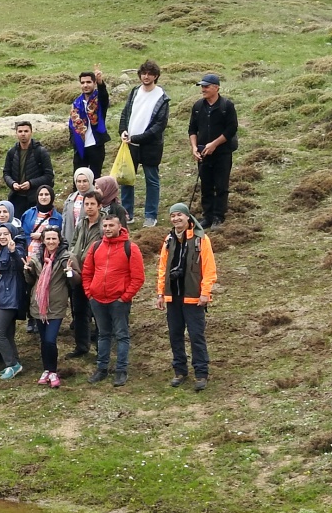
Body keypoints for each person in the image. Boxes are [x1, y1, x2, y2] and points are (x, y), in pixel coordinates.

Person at [156, 203, 217, 391]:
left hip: (194, 298)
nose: (176, 219)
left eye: (179, 215)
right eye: (173, 216)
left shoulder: (201, 239)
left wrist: (205, 293)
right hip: (173, 297)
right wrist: (160, 293)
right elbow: (162, 268)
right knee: (175, 335)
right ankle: (180, 371)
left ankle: (201, 373)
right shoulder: (168, 240)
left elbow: (209, 269)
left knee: (196, 336)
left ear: (188, 217)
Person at [82, 212, 145, 386]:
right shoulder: (95, 247)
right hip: (98, 300)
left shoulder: (131, 248)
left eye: (111, 225)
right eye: (105, 226)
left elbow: (138, 278)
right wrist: (90, 293)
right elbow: (87, 272)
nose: (107, 229)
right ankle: (101, 368)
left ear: (119, 227)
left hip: (119, 301)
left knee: (122, 335)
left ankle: (121, 370)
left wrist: (125, 297)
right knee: (103, 335)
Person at [119, 59, 170, 227]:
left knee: (152, 180)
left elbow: (159, 126)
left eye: (150, 74)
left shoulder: (162, 97)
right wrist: (123, 131)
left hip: (150, 146)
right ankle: (127, 213)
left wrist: (137, 138)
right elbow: (126, 113)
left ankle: (150, 215)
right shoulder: (134, 91)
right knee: (126, 179)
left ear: (156, 76)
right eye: (143, 73)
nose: (146, 77)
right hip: (130, 144)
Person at [189, 73, 239, 228]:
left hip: (222, 154)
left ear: (216, 88)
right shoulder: (198, 106)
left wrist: (214, 144)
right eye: (202, 87)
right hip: (203, 154)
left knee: (221, 185)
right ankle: (208, 216)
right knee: (206, 186)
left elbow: (231, 129)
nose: (203, 89)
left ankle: (219, 216)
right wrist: (194, 148)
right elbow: (192, 129)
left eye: (206, 86)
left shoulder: (227, 106)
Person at [24, 225, 69, 389]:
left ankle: (53, 371)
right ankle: (47, 370)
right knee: (44, 341)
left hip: (56, 306)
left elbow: (74, 281)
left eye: (53, 238)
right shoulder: (36, 258)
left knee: (50, 340)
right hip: (38, 306)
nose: (50, 241)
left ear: (59, 240)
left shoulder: (66, 257)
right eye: (47, 238)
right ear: (43, 240)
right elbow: (30, 281)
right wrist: (27, 271)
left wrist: (70, 272)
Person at [66, 189, 105, 358]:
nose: (88, 207)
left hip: (97, 273)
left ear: (99, 205)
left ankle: (101, 349)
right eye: (86, 204)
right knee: (79, 311)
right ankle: (81, 346)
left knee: (98, 312)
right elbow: (74, 241)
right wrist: (72, 256)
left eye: (92, 204)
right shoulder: (81, 222)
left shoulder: (105, 224)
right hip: (78, 272)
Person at [0, 223, 26, 380]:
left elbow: (20, 266)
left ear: (12, 234)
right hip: (1, 296)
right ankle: (15, 363)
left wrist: (13, 252)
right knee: (7, 333)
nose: (2, 237)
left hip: (10, 297)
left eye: (6, 233)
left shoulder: (16, 249)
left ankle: (11, 363)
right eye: (0, 234)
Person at [2, 120, 54, 217]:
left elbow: (49, 175)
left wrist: (31, 183)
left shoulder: (41, 152)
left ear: (31, 132)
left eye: (26, 131)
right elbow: (6, 173)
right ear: (16, 133)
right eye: (20, 131)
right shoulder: (12, 152)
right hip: (17, 198)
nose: (23, 134)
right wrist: (12, 184)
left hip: (35, 198)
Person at [69, 66, 110, 176]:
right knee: (78, 180)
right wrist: (73, 141)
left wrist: (101, 83)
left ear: (94, 83)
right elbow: (71, 125)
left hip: (96, 146)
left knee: (95, 179)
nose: (85, 85)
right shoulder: (76, 103)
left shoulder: (99, 100)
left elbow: (104, 96)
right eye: (82, 82)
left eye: (88, 82)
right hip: (80, 147)